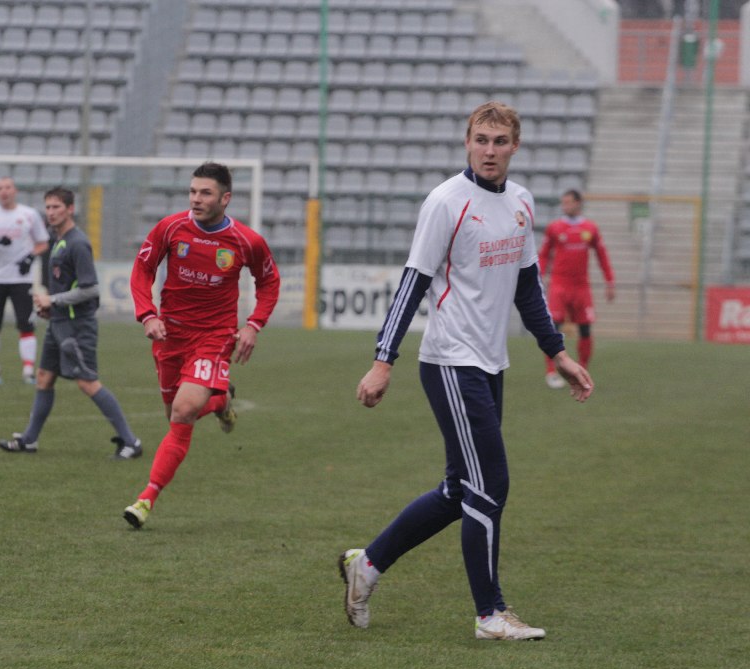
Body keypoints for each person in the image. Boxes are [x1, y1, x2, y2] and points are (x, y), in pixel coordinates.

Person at [339, 102, 594, 641]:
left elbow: (527, 287)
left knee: (460, 490)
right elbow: (412, 283)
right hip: (451, 361)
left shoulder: (521, 202)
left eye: (500, 141)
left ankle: (368, 564)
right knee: (490, 483)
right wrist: (383, 361)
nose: (489, 150)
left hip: (490, 362)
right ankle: (490, 614)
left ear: (515, 146)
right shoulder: (445, 202)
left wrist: (559, 354)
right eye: (481, 139)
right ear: (467, 142)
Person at [123, 162, 281, 529]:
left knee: (182, 412)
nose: (196, 199)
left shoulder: (247, 241)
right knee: (175, 414)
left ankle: (145, 499)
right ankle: (221, 401)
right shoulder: (170, 227)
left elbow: (269, 282)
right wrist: (147, 314)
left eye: (205, 193)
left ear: (225, 199)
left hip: (214, 337)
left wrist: (253, 325)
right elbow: (142, 270)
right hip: (170, 335)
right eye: (193, 191)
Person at [0, 187, 142, 460]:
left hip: (78, 326)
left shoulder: (77, 243)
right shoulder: (58, 240)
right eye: (48, 207)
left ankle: (131, 441)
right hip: (59, 322)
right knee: (44, 377)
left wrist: (53, 300)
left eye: (56, 207)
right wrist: (51, 309)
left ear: (70, 209)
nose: (51, 213)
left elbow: (91, 289)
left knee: (87, 383)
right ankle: (29, 440)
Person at [0, 176, 49, 385]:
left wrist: (30, 257)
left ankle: (28, 371)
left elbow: (43, 243)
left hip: (21, 279)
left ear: (15, 191)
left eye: (7, 187)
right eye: (0, 188)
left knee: (26, 324)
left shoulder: (29, 214)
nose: (4, 191)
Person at [538, 189, 615, 388]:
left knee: (585, 329)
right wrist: (540, 276)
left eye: (569, 202)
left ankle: (582, 370)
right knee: (553, 328)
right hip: (559, 285)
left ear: (578, 203)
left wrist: (609, 281)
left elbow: (602, 255)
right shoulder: (555, 228)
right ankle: (551, 371)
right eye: (563, 202)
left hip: (581, 287)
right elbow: (544, 254)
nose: (565, 206)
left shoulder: (590, 228)